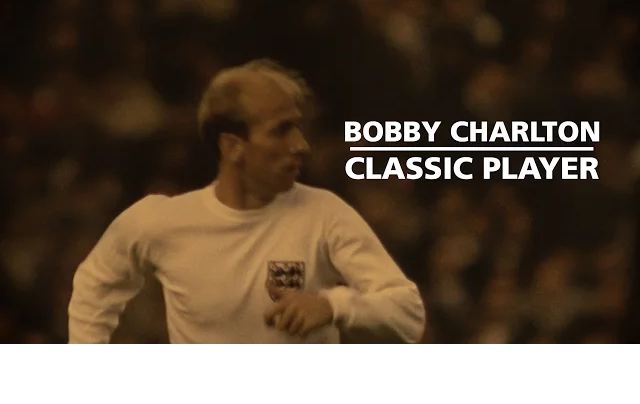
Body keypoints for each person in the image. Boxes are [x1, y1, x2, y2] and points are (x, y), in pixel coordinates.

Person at [67, 58, 426, 344]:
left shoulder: (324, 214)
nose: (301, 145)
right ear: (233, 147)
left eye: (298, 128)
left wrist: (333, 306)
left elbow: (408, 313)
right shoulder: (160, 222)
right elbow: (93, 286)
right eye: (281, 130)